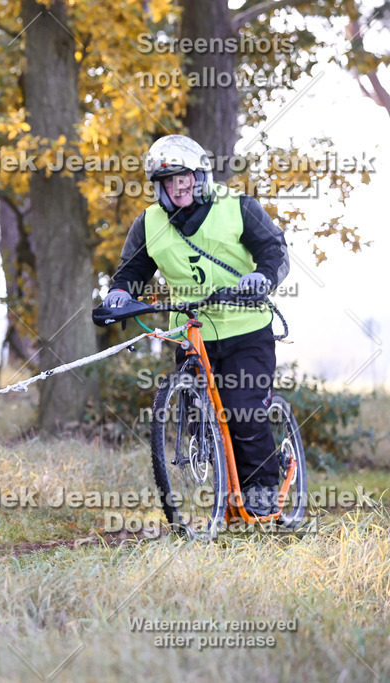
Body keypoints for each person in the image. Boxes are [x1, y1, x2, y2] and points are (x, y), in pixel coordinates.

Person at [103, 134, 290, 517]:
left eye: (184, 176)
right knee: (198, 419)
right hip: (190, 333)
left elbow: (274, 251)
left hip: (246, 330)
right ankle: (224, 490)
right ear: (159, 186)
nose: (177, 185)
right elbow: (131, 271)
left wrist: (262, 278)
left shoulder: (238, 207)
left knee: (241, 409)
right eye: (168, 180)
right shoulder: (149, 223)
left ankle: (264, 485)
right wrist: (119, 294)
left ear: (199, 175)